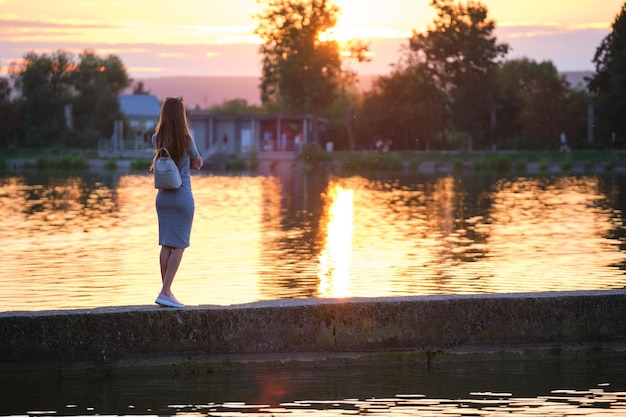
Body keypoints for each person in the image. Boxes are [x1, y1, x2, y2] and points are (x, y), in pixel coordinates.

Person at [150, 97, 203, 308]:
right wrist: (196, 162)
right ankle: (165, 291)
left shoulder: (157, 138)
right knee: (179, 245)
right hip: (182, 197)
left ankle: (167, 292)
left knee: (166, 245)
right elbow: (196, 163)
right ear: (181, 114)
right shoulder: (187, 140)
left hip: (163, 198)